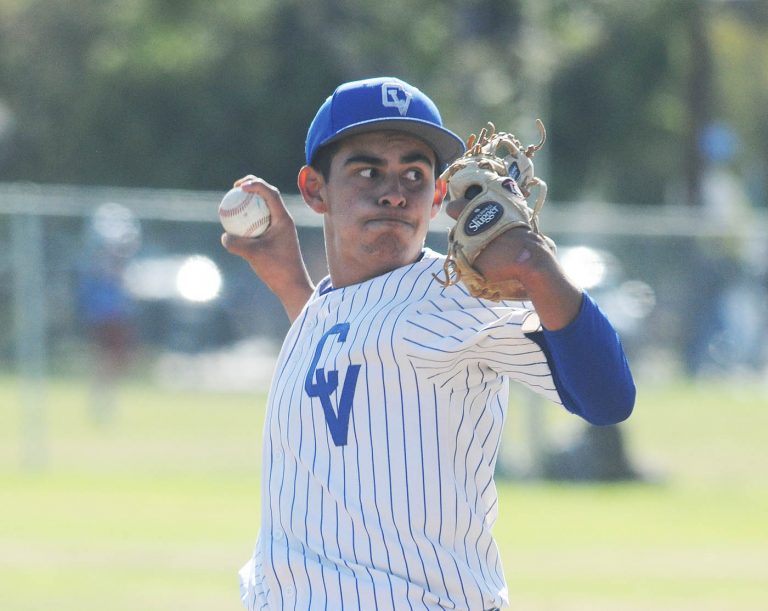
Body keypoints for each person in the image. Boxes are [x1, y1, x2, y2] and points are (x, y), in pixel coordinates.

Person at [222, 76, 635, 610]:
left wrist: (536, 266)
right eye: (367, 170)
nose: (393, 191)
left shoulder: (457, 301)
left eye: (414, 174)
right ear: (313, 189)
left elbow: (608, 398)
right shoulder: (324, 310)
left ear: (439, 194)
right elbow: (362, 360)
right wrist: (290, 283)